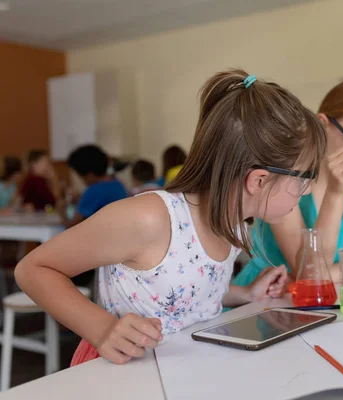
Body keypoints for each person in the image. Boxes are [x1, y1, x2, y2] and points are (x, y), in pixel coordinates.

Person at [15, 69, 326, 366]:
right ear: (258, 181)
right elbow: (33, 269)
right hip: (124, 370)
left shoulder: (233, 223)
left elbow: (183, 290)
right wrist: (102, 328)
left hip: (184, 369)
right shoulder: (150, 218)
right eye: (304, 179)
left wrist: (245, 294)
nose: (308, 191)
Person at [234, 78, 343, 286]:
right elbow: (310, 275)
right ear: (323, 124)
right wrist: (336, 193)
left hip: (327, 294)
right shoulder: (288, 170)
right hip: (267, 296)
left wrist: (329, 274)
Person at [60, 145, 129, 229]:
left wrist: (61, 212)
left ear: (89, 174)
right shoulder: (117, 184)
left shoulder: (94, 191)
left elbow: (72, 226)